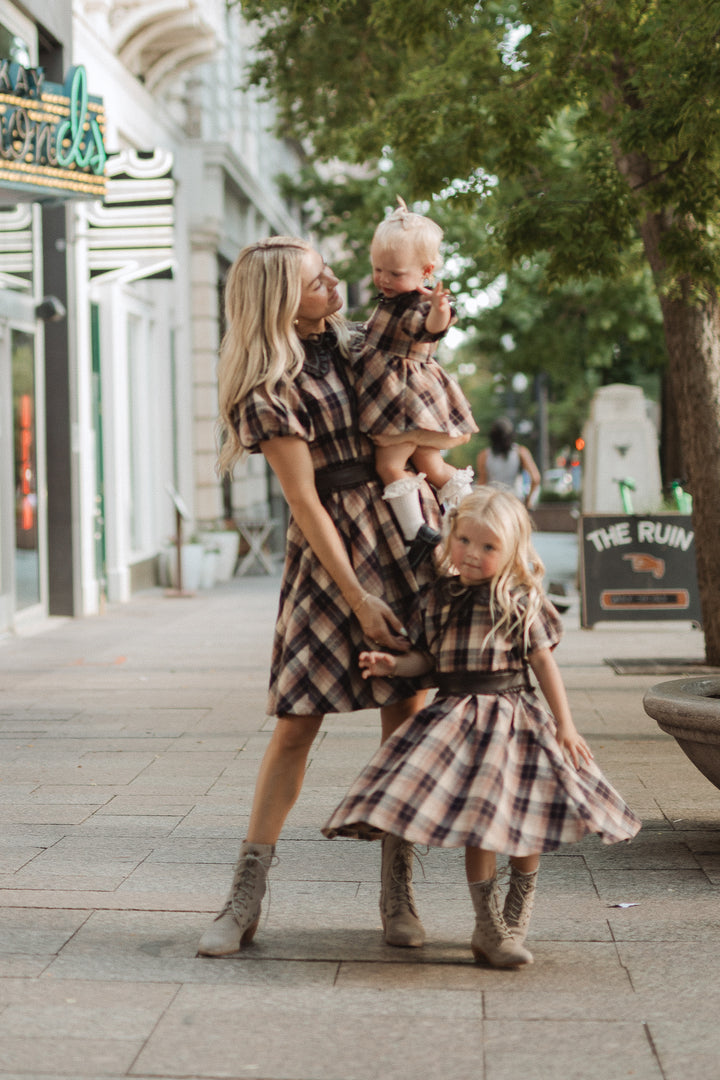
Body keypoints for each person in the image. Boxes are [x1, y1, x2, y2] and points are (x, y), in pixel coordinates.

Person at [197, 236, 438, 958]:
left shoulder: (360, 342)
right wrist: (360, 597)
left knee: (406, 718)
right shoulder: (268, 386)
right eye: (317, 282)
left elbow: (419, 334)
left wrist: (427, 283)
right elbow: (304, 500)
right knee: (297, 722)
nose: (336, 285)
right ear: (279, 302)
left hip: (402, 531)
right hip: (331, 554)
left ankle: (399, 891)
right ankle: (244, 898)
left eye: (332, 274)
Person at [323, 487, 641, 968]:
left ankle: (517, 911)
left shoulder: (518, 600)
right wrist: (393, 665)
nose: (472, 554)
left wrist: (566, 725)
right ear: (451, 537)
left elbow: (543, 663)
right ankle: (486, 924)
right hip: (456, 719)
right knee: (483, 823)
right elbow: (427, 660)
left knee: (525, 824)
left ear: (510, 551)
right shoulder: (438, 598)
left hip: (514, 719)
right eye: (465, 541)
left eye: (488, 547)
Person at [356, 198, 478, 567]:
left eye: (395, 273)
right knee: (432, 464)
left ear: (426, 272)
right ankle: (471, 510)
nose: (383, 279)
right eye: (378, 270)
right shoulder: (391, 300)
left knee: (390, 464)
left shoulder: (419, 305)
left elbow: (429, 329)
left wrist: (440, 311)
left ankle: (416, 532)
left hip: (401, 401)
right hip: (410, 402)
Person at [476, 417, 540, 507]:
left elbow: (482, 483)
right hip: (515, 500)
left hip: (493, 503)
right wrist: (528, 500)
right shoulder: (521, 452)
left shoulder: (484, 455)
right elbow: (535, 478)